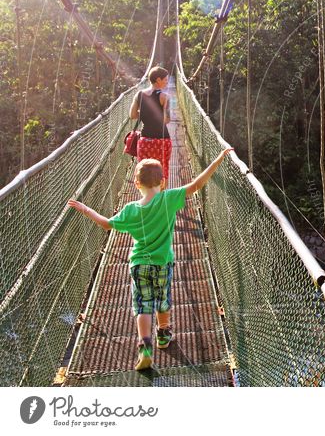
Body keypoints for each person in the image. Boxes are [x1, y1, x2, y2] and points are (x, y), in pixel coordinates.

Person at [68, 148, 234, 370]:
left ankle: (145, 347)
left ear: (136, 184)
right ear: (163, 182)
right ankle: (163, 335)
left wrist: (86, 209)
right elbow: (196, 185)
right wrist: (218, 158)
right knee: (162, 299)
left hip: (139, 264)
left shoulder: (130, 210)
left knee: (143, 305)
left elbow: (106, 224)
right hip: (163, 262)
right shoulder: (169, 199)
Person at [131, 66, 172, 190]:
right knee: (162, 170)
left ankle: (146, 201)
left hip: (145, 141)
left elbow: (132, 115)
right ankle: (162, 201)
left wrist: (145, 114)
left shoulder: (139, 95)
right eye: (165, 80)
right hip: (162, 141)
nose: (167, 82)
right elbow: (166, 119)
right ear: (158, 80)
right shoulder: (164, 97)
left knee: (144, 172)